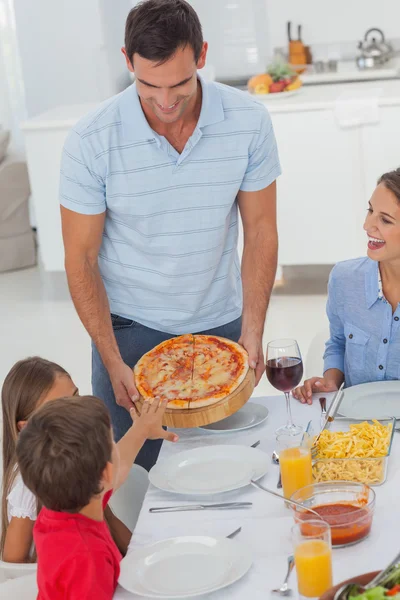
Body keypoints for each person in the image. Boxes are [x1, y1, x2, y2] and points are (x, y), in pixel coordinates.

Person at [60, 0, 280, 470]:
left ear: (201, 55)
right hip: (130, 337)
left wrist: (253, 327)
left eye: (178, 83)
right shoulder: (90, 139)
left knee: (230, 471)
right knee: (135, 486)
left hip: (223, 327)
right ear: (127, 60)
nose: (164, 101)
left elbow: (261, 230)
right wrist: (110, 357)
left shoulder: (248, 121)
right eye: (148, 85)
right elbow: (80, 259)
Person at [16, 395, 177, 599]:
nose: (115, 446)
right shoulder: (88, 559)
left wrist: (142, 429)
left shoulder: (63, 504)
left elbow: (117, 471)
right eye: (112, 442)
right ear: (104, 475)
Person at [293, 169, 400, 404]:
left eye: (385, 220)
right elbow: (339, 343)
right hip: (356, 429)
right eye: (370, 210)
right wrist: (330, 381)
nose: (367, 225)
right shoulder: (344, 279)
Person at [1, 357, 78, 562]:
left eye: (76, 396)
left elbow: (109, 521)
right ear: (26, 427)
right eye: (60, 408)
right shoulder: (29, 486)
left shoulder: (77, 455)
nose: (79, 411)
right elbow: (12, 566)